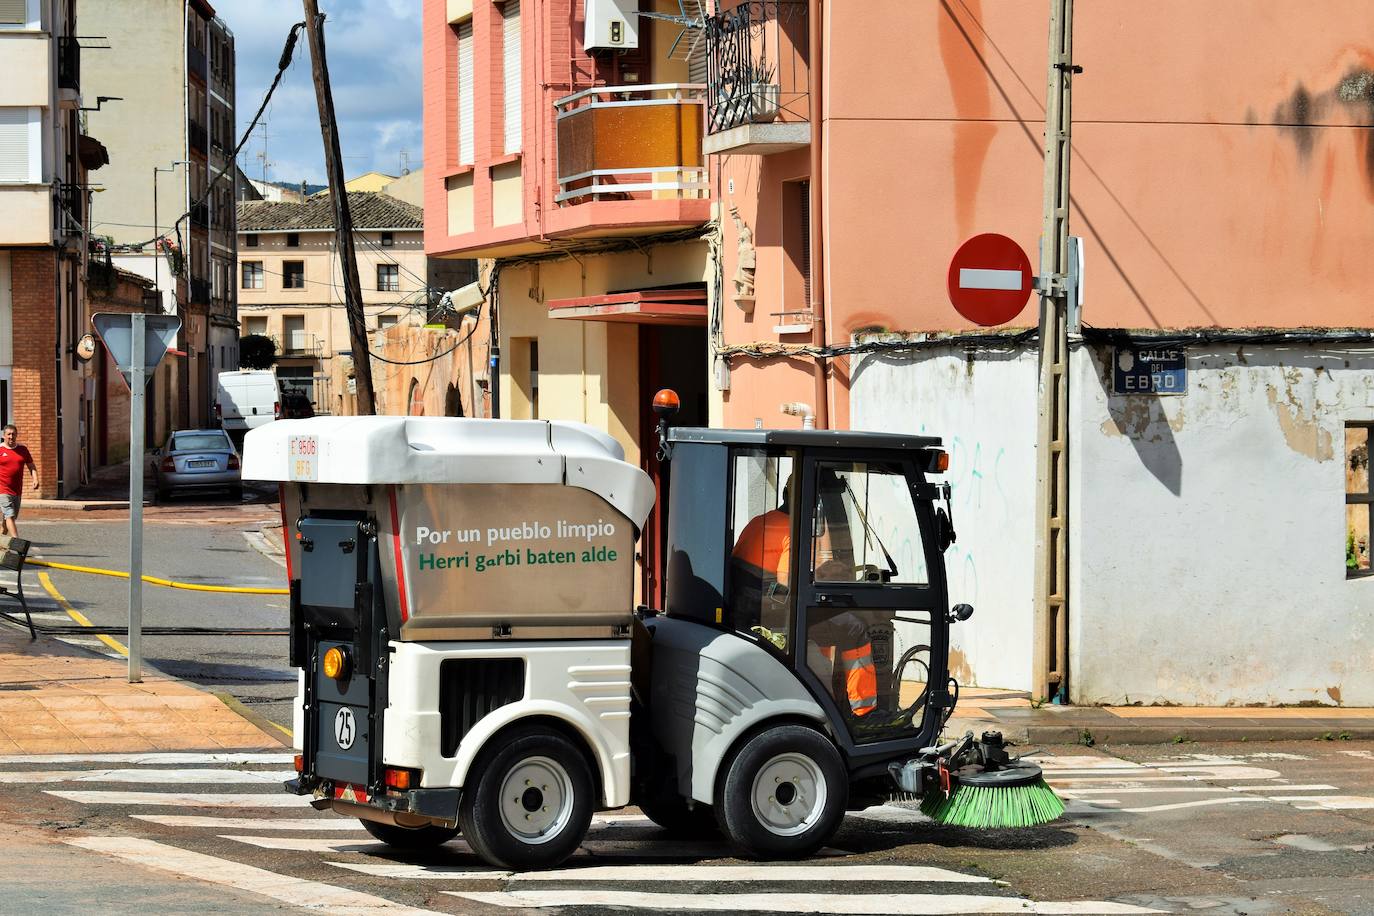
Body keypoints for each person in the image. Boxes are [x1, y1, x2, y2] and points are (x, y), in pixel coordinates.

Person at [0, 424, 37, 537]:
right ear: (4, 436)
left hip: (17, 490)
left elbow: (31, 466)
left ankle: (1, 543)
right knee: (9, 515)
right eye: (9, 434)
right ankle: (16, 541)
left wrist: (35, 479)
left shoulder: (22, 449)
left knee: (8, 519)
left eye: (13, 434)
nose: (11, 436)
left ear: (16, 435)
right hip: (2, 489)